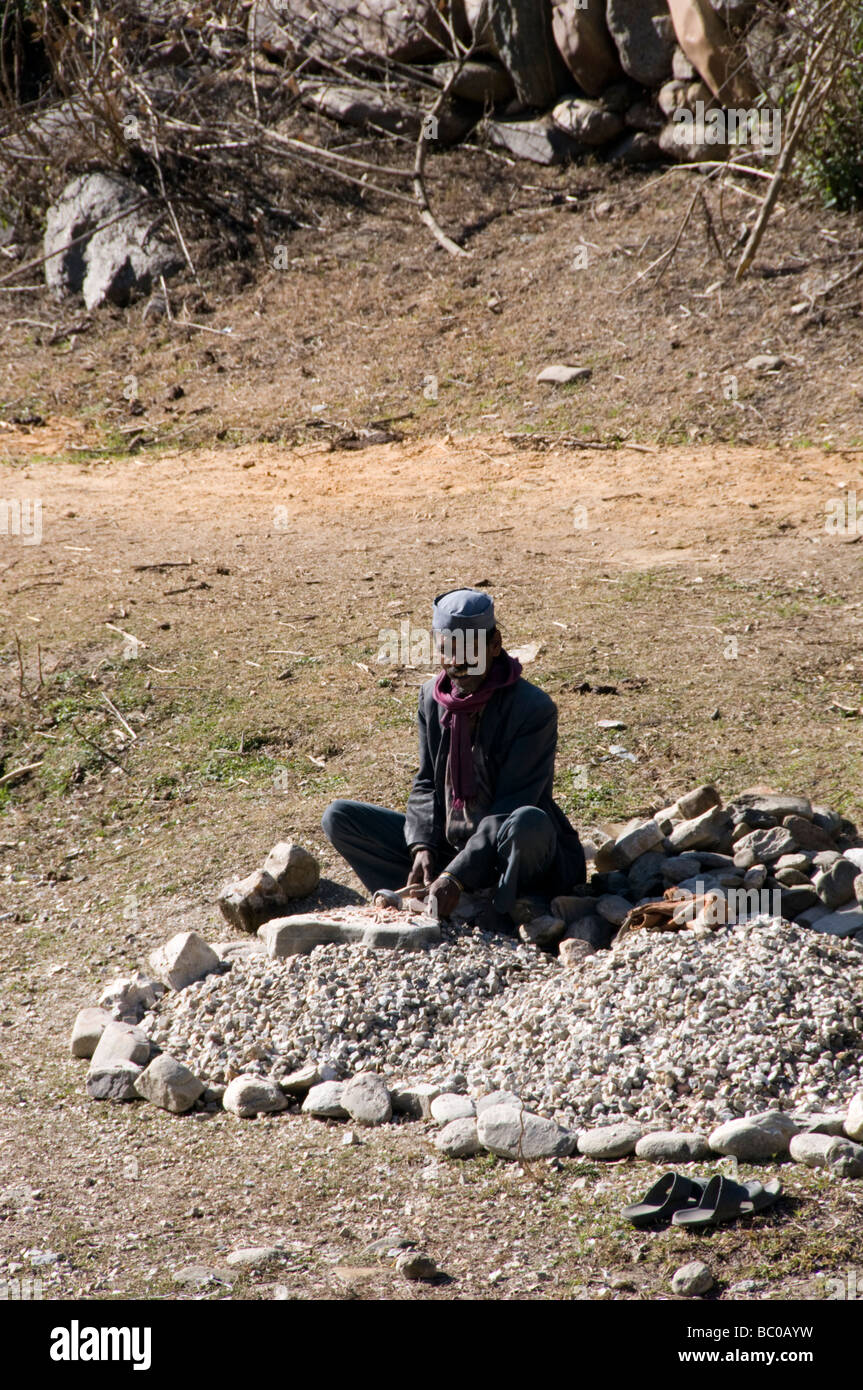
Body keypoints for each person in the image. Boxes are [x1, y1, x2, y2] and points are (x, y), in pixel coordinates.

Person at [321, 588, 586, 927]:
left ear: (495, 645)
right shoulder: (432, 699)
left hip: (510, 851)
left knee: (527, 822)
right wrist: (421, 846)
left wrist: (457, 874)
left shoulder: (533, 709)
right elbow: (427, 782)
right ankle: (428, 895)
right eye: (448, 652)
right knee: (341, 817)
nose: (458, 666)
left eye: (470, 652)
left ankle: (503, 910)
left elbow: (509, 806)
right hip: (453, 848)